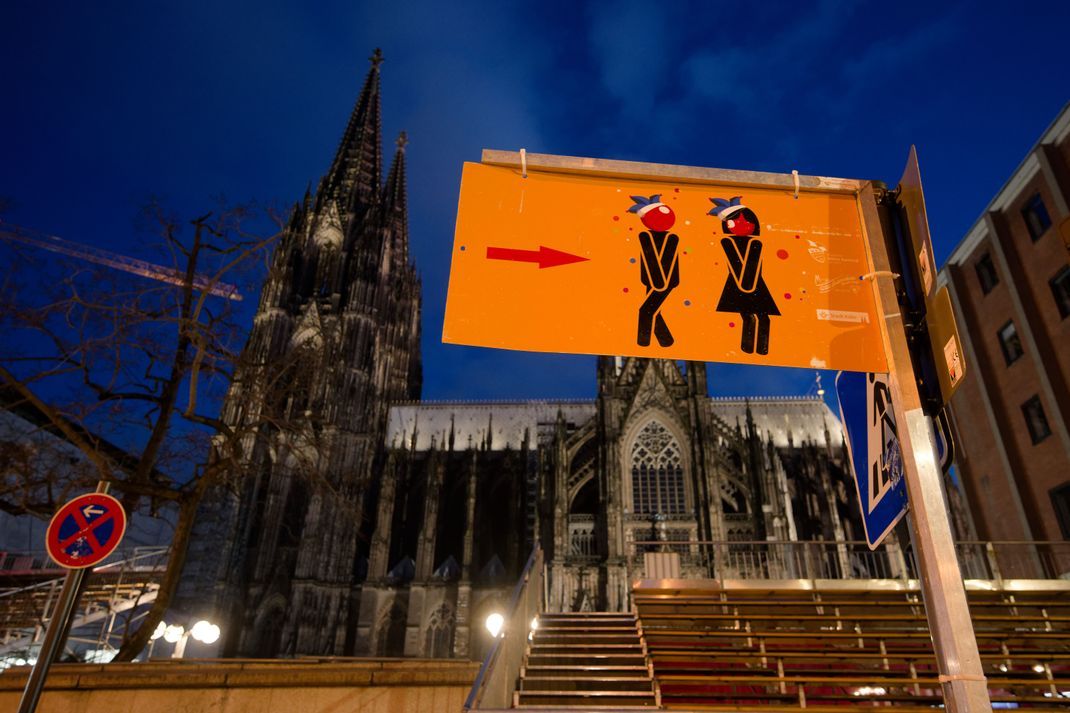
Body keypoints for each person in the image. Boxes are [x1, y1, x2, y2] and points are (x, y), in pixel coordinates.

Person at [709, 196, 779, 355]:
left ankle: (761, 349)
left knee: (763, 318)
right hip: (740, 281)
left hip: (753, 282)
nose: (740, 225)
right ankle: (748, 348)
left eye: (745, 221)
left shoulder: (755, 243)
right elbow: (735, 263)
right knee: (749, 317)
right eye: (733, 223)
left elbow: (756, 265)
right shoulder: (728, 243)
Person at [627, 194, 680, 347]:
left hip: (665, 280)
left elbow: (669, 260)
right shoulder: (647, 237)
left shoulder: (670, 239)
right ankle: (665, 340)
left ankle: (645, 343)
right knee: (651, 311)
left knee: (646, 310)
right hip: (653, 279)